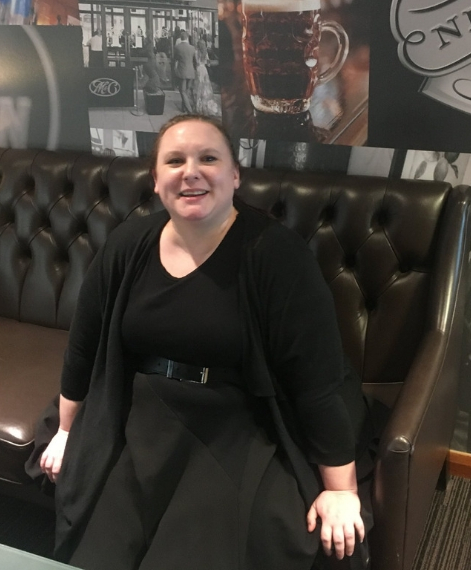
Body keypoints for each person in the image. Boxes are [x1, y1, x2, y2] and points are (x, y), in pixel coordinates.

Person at [38, 114, 370, 570]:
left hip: (237, 420)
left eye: (208, 158)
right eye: (174, 161)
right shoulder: (130, 242)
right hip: (142, 414)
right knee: (100, 550)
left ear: (235, 174)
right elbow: (84, 343)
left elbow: (317, 378)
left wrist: (341, 490)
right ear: (156, 181)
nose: (190, 171)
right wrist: (65, 429)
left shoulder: (277, 254)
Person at [193, 39, 220, 116]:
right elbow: (208, 63)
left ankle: (197, 105)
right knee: (205, 87)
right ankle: (204, 103)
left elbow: (195, 62)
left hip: (198, 70)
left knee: (198, 87)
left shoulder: (195, 52)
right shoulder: (205, 52)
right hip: (204, 70)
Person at [173, 31, 197, 113]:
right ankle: (183, 108)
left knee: (182, 91)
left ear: (180, 38)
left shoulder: (177, 47)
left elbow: (175, 58)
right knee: (186, 91)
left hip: (182, 71)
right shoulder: (192, 48)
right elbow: (195, 61)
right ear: (187, 38)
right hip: (191, 72)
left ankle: (189, 110)